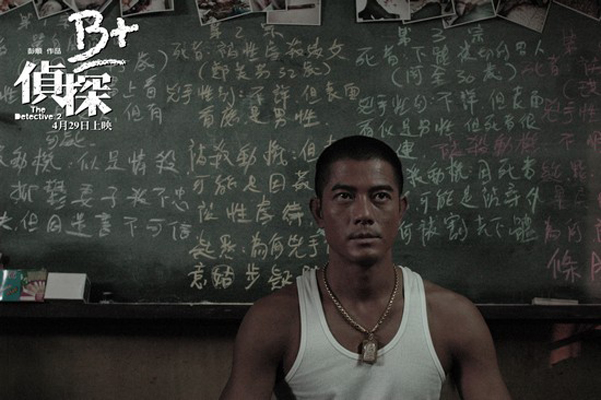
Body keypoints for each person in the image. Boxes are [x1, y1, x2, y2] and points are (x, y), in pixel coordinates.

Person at [220, 135, 512, 399]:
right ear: (318, 212)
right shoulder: (274, 319)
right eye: (345, 196)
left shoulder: (453, 317)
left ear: (401, 209)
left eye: (380, 196)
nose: (363, 213)